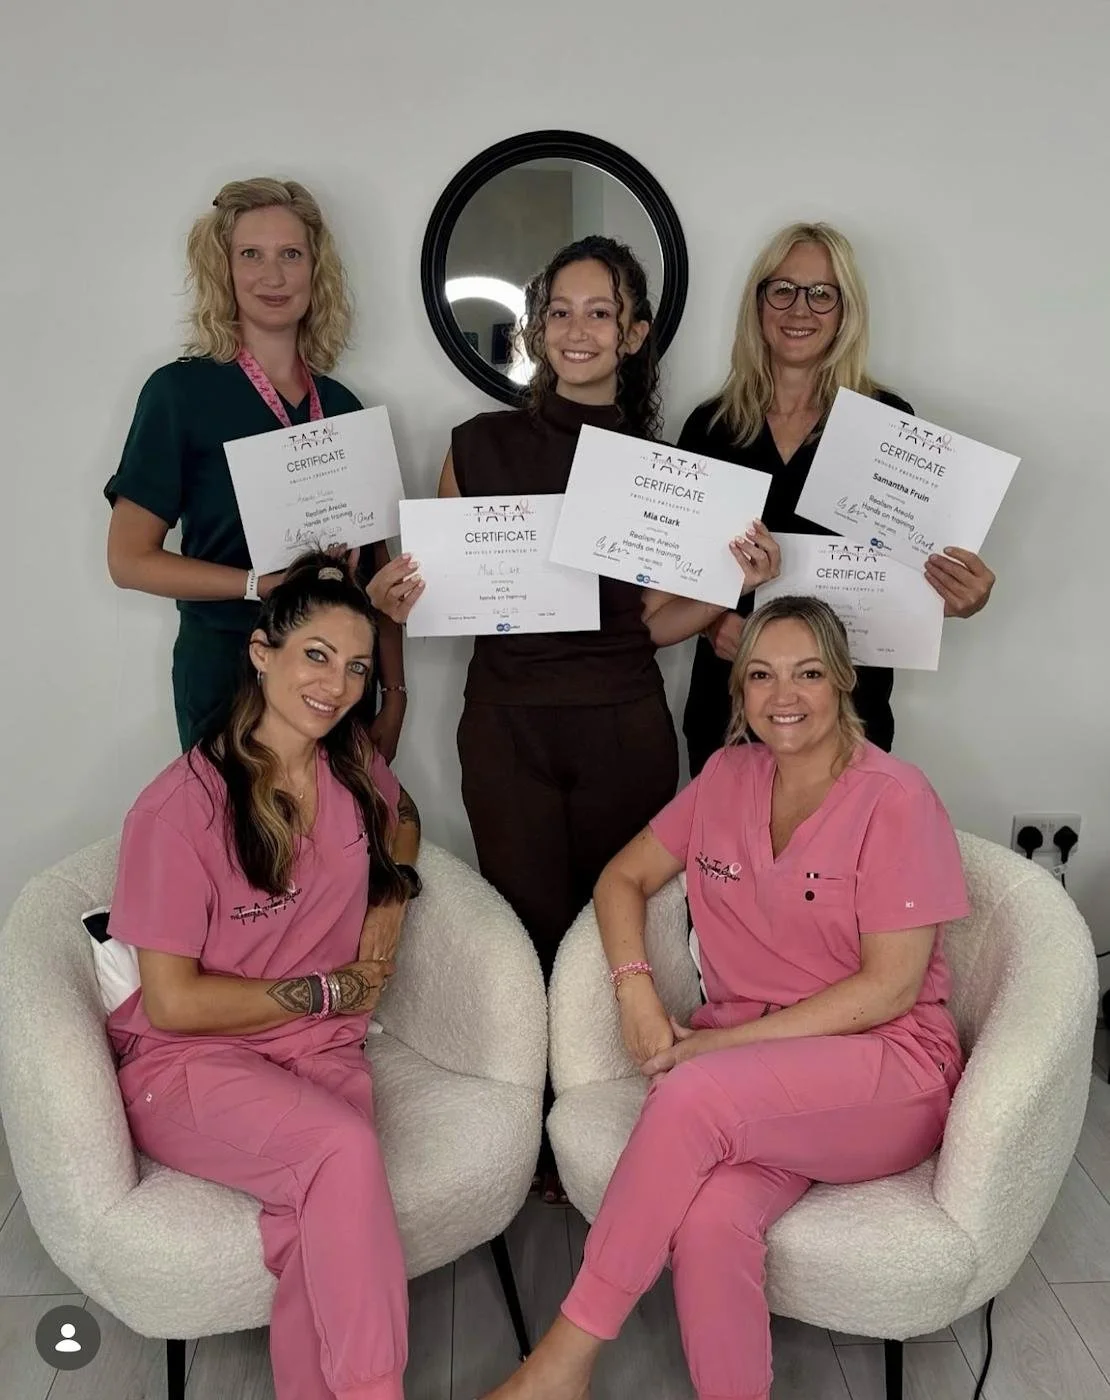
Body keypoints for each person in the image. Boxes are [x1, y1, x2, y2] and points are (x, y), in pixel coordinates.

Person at [370, 235, 779, 1201]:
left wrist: (730, 582)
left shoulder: (660, 465)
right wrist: (399, 597)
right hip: (507, 722)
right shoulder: (477, 442)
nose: (579, 329)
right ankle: (535, 1142)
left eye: (602, 312)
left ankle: (614, 1120)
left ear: (635, 334)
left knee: (615, 926)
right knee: (528, 923)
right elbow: (440, 595)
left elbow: (649, 623)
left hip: (623, 720)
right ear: (537, 328)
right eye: (561, 311)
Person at [481, 594, 970, 1400]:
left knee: (693, 1091)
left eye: (809, 674)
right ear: (738, 691)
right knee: (709, 1226)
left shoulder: (897, 798)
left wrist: (712, 1048)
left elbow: (889, 990)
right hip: (764, 1086)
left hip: (885, 1070)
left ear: (844, 681)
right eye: (763, 676)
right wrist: (635, 993)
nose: (786, 697)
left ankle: (563, 1362)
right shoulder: (726, 777)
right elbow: (621, 879)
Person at [107, 552, 422, 1400]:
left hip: (320, 1049)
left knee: (317, 1230)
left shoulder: (348, 763)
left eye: (356, 666)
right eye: (316, 654)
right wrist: (329, 990)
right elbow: (172, 1000)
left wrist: (384, 924)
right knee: (341, 1152)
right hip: (188, 1063)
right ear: (261, 652)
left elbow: (407, 821)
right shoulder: (177, 809)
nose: (338, 684)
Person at [678, 221, 996, 776]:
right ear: (758, 302)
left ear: (846, 310)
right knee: (728, 860)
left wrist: (958, 594)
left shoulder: (889, 423)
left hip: (850, 708)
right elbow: (673, 567)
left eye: (822, 294)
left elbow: (910, 570)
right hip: (729, 706)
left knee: (838, 862)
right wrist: (710, 623)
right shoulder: (712, 426)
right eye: (783, 289)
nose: (800, 309)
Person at [105, 177, 408, 758]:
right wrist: (258, 586)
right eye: (252, 255)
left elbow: (377, 571)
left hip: (337, 680)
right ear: (225, 269)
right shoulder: (178, 393)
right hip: (228, 674)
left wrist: (394, 697)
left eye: (291, 255)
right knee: (239, 843)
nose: (273, 276)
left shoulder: (344, 406)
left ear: (315, 271)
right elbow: (128, 560)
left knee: (337, 843)